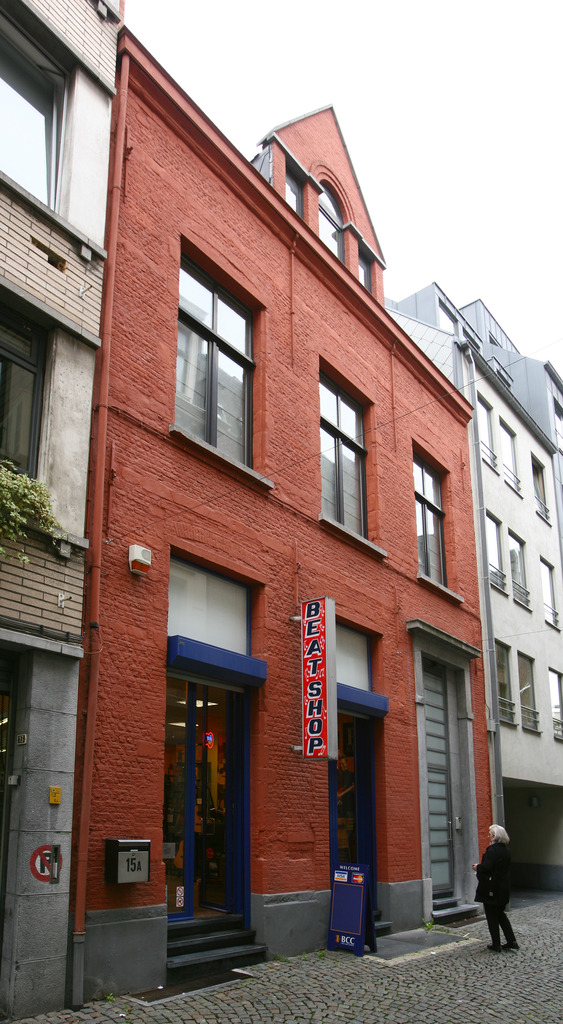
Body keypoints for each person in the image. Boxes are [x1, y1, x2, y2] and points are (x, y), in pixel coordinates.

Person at [472, 824, 519, 952]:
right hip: (503, 888)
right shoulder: (506, 851)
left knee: (492, 917)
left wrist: (477, 867)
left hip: (492, 889)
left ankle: (496, 944)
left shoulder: (492, 850)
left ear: (494, 836)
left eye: (490, 835)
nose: (488, 837)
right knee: (501, 915)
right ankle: (512, 941)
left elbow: (487, 867)